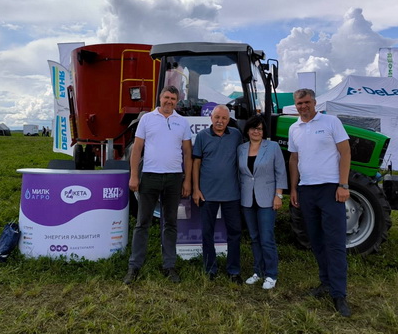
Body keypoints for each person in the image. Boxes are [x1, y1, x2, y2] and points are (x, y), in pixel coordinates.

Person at [288, 88, 352, 317]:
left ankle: (339, 293)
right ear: (295, 105)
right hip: (306, 190)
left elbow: (345, 153)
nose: (303, 106)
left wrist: (343, 185)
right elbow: (294, 159)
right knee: (316, 240)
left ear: (315, 102)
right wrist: (294, 188)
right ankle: (325, 283)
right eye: (299, 103)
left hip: (330, 189)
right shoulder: (294, 128)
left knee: (334, 242)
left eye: (306, 102)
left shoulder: (331, 122)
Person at [123, 85, 192, 284]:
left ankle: (169, 266)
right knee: (142, 223)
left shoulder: (182, 122)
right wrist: (134, 176)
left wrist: (187, 180)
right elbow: (137, 149)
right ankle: (134, 266)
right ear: (160, 98)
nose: (169, 101)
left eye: (173, 99)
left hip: (174, 179)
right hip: (150, 177)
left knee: (170, 223)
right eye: (166, 97)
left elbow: (187, 153)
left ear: (177, 102)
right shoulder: (147, 119)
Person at [192, 105, 243, 283]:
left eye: (224, 118)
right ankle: (210, 269)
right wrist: (196, 189)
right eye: (217, 117)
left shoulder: (236, 135)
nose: (220, 121)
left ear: (229, 120)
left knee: (235, 233)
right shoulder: (202, 136)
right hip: (207, 194)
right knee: (207, 233)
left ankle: (233, 270)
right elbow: (196, 163)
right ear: (211, 118)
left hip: (232, 194)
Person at [238, 115, 287, 290]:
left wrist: (278, 195)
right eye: (253, 128)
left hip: (267, 199)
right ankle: (257, 272)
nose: (256, 131)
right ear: (247, 130)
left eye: (259, 128)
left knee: (266, 238)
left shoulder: (272, 147)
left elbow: (280, 171)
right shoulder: (241, 149)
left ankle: (271, 274)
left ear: (263, 131)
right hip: (247, 199)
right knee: (254, 237)